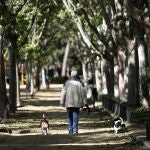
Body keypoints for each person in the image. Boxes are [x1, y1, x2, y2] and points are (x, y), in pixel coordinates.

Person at [60, 70, 87, 134]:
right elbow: (83, 93)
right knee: (75, 116)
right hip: (77, 102)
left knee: (70, 117)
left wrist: (62, 101)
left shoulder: (66, 83)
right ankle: (75, 130)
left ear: (71, 75)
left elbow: (63, 92)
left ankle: (70, 130)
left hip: (68, 102)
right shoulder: (80, 83)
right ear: (77, 75)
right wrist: (84, 102)